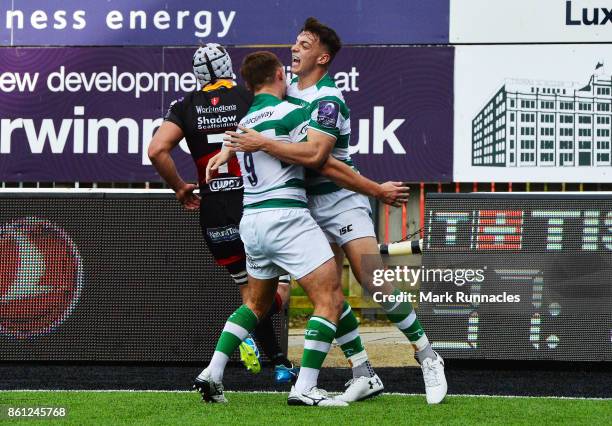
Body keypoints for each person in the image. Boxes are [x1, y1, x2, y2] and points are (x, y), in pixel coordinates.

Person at [223, 18, 448, 404]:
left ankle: (428, 356)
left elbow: (317, 158)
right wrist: (228, 150)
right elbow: (257, 127)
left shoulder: (329, 99)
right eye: (294, 42)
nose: (295, 49)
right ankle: (363, 372)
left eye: (305, 44)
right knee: (328, 293)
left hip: (341, 199)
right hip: (305, 205)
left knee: (373, 282)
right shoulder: (285, 89)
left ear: (322, 57)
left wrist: (377, 190)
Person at [195, 51, 357, 407]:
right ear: (280, 77)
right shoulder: (291, 113)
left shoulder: (243, 123)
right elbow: (318, 158)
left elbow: (231, 150)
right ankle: (306, 388)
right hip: (285, 216)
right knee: (329, 298)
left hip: (250, 221)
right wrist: (369, 187)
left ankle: (213, 371)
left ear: (250, 85)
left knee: (255, 302)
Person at [147, 43, 296, 384]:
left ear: (197, 76)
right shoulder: (249, 98)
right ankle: (250, 341)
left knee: (249, 292)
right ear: (229, 67)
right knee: (278, 291)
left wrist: (181, 187)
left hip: (214, 210)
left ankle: (280, 362)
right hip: (253, 202)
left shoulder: (184, 106)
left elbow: (157, 150)